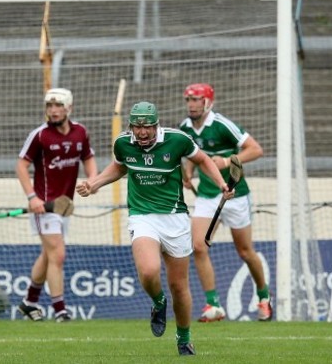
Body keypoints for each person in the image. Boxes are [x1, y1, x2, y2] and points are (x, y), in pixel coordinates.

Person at [76, 101, 233, 356]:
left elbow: (203, 159)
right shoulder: (123, 143)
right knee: (149, 271)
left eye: (146, 126)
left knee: (179, 287)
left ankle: (184, 338)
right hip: (142, 216)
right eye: (137, 127)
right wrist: (95, 184)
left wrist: (221, 184)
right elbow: (119, 166)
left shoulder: (177, 140)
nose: (141, 132)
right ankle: (158, 301)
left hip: (175, 218)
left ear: (155, 125)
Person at [179, 83, 272, 322]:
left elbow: (256, 150)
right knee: (198, 246)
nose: (191, 104)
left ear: (208, 102)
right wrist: (187, 173)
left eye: (196, 99)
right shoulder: (185, 128)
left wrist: (227, 161)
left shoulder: (221, 125)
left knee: (244, 251)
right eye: (189, 100)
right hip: (207, 196)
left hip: (235, 194)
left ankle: (263, 296)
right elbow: (191, 153)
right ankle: (213, 305)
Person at [16, 88, 97, 322]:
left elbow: (88, 159)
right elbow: (21, 166)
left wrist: (92, 180)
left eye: (58, 106)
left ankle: (29, 302)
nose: (52, 111)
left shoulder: (80, 132)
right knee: (58, 255)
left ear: (68, 107)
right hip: (44, 206)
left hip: (63, 206)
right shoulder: (40, 135)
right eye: (49, 106)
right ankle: (60, 310)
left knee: (49, 254)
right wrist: (33, 197)